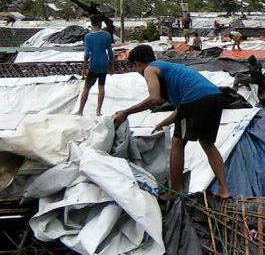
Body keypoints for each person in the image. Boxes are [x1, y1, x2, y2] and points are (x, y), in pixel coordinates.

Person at [114, 45, 231, 200]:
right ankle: (224, 190)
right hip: (215, 97)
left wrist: (126, 112)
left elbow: (155, 99)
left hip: (195, 100)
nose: (137, 71)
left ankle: (175, 192)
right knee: (208, 144)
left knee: (177, 143)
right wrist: (164, 122)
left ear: (137, 64)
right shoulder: (168, 68)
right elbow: (181, 107)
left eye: (135, 67)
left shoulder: (149, 69)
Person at [76, 16, 115, 116]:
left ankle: (80, 110)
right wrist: (111, 66)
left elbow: (86, 54)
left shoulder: (88, 37)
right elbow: (110, 52)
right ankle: (98, 110)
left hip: (93, 64)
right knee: (101, 86)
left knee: (86, 88)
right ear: (100, 24)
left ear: (91, 24)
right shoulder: (106, 35)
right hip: (104, 64)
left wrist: (84, 68)